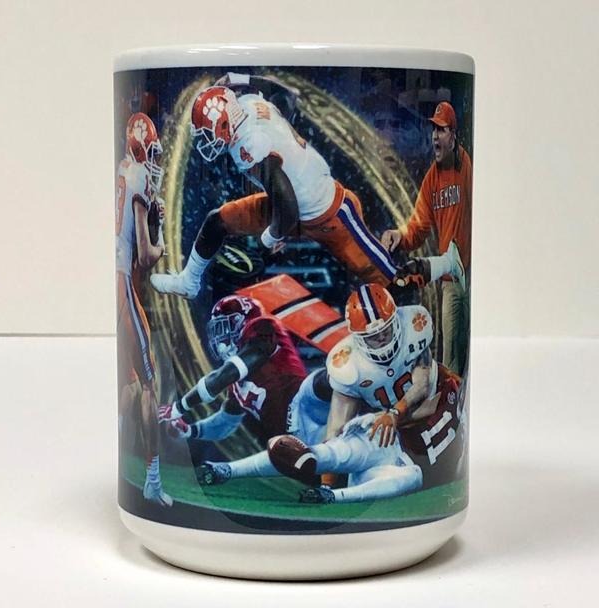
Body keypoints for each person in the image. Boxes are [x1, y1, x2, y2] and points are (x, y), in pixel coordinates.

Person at [150, 79, 464, 300]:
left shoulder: (248, 143)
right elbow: (286, 95)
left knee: (394, 283)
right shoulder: (249, 104)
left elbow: (288, 209)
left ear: (224, 124)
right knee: (217, 221)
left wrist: (267, 241)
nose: (206, 143)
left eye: (208, 133)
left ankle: (447, 263)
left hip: (329, 213)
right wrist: (239, 78)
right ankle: (189, 281)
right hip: (289, 202)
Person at [268, 283, 463, 503]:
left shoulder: (414, 325)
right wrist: (326, 483)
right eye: (372, 336)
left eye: (385, 331)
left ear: (396, 321)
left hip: (436, 405)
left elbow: (422, 386)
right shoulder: (348, 365)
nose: (381, 339)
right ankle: (329, 491)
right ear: (358, 338)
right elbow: (336, 429)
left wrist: (395, 412)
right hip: (397, 432)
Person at [158, 294, 331, 484]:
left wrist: (179, 407)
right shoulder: (236, 384)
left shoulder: (263, 327)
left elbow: (222, 376)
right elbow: (224, 424)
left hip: (314, 415)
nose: (221, 336)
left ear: (243, 320)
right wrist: (190, 430)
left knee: (321, 381)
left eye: (225, 326)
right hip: (296, 443)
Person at [381, 101, 472, 375]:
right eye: (433, 129)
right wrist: (399, 235)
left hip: (474, 274)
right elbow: (418, 227)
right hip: (451, 281)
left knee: (471, 347)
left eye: (441, 130)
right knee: (450, 358)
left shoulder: (466, 166)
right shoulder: (432, 178)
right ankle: (453, 400)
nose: (435, 136)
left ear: (453, 136)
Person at [116, 112, 172, 507]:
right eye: (150, 151)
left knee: (131, 383)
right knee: (150, 385)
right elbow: (146, 256)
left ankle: (121, 463)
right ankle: (152, 481)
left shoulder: (123, 168)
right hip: (122, 280)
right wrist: (161, 235)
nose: (155, 159)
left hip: (115, 277)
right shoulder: (139, 178)